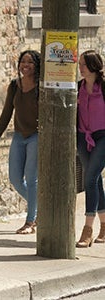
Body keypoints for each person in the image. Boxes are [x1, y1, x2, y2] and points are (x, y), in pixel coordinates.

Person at [0, 50, 41, 235]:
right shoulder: (14, 86)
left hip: (36, 135)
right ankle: (42, 209)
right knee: (15, 179)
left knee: (31, 178)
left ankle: (30, 221)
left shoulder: (41, 87)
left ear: (37, 66)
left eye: (30, 62)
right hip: (19, 136)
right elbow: (6, 113)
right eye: (22, 62)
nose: (25, 65)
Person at [75, 50, 105, 248]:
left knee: (90, 179)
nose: (80, 68)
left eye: (83, 64)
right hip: (82, 136)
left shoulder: (104, 87)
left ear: (93, 66)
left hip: (103, 136)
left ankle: (87, 229)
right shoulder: (78, 87)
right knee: (95, 179)